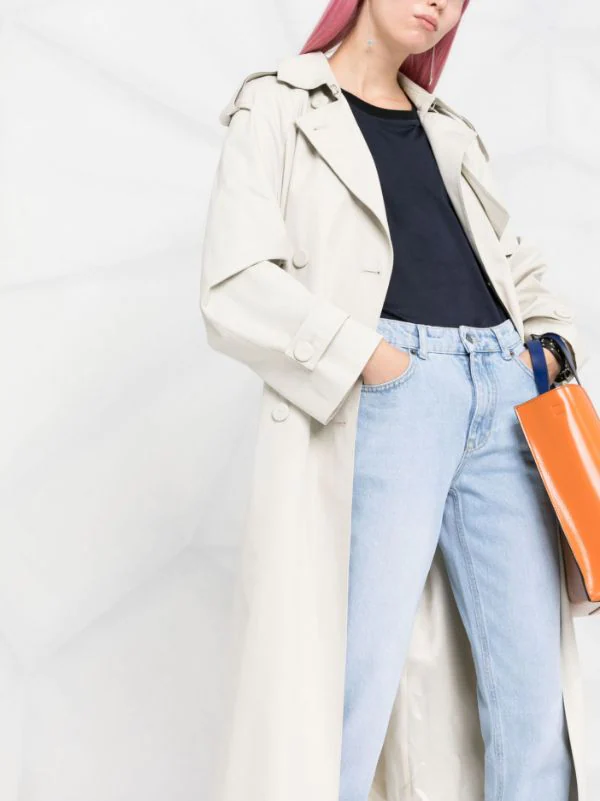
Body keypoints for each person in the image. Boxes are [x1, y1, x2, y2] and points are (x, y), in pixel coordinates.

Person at [199, 2, 589, 800]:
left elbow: (515, 260)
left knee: (534, 705)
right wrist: (374, 361)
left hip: (505, 398)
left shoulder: (450, 130)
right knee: (345, 692)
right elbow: (235, 282)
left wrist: (546, 348)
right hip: (392, 395)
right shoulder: (277, 105)